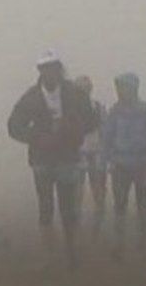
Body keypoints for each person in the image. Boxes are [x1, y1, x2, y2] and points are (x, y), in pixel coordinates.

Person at [7, 50, 96, 268]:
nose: (50, 73)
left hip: (67, 156)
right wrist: (36, 138)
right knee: (45, 206)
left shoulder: (75, 94)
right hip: (41, 158)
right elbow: (13, 126)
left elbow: (92, 120)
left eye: (53, 68)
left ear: (59, 69)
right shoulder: (31, 97)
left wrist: (74, 131)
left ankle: (71, 251)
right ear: (40, 71)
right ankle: (51, 254)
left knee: (68, 207)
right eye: (45, 69)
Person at [102, 72, 146, 258]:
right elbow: (106, 138)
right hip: (120, 165)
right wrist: (104, 162)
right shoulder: (115, 111)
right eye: (119, 88)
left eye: (124, 87)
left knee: (142, 203)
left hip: (144, 164)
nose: (120, 91)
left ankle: (142, 241)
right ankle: (119, 244)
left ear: (134, 88)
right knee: (120, 205)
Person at [74, 75, 108, 235]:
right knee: (76, 193)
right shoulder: (70, 108)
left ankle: (97, 226)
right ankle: (76, 226)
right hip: (77, 153)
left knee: (99, 192)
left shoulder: (98, 107)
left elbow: (105, 130)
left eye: (85, 89)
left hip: (95, 153)